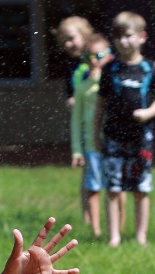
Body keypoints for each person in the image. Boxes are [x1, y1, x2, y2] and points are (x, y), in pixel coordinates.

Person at [96, 11, 155, 247]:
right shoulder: (110, 69)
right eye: (117, 36)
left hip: (141, 138)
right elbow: (101, 103)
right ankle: (114, 236)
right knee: (114, 188)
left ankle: (140, 236)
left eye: (127, 36)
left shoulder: (151, 68)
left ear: (141, 37)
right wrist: (97, 132)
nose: (122, 41)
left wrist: (148, 113)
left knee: (140, 188)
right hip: (114, 136)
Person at [69, 33, 112, 238]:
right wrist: (77, 150)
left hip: (113, 142)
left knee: (116, 189)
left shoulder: (114, 84)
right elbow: (76, 121)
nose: (94, 61)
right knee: (93, 188)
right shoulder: (83, 87)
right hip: (91, 146)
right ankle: (95, 231)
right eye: (88, 58)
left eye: (99, 55)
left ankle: (116, 229)